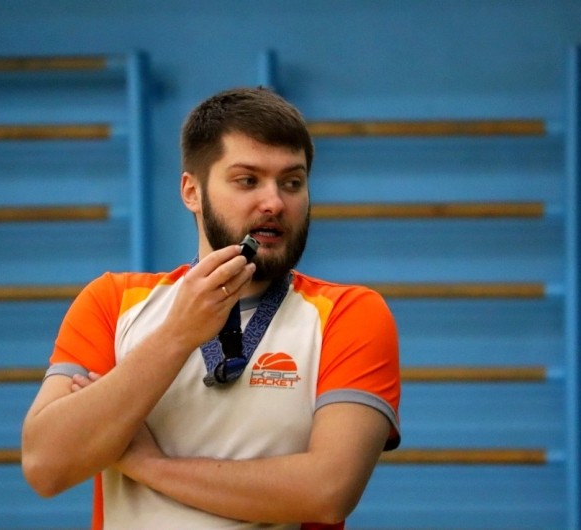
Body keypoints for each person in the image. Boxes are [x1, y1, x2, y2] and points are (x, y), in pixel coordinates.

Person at [21, 86, 401, 530]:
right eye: (247, 180)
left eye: (292, 182)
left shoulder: (349, 313)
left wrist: (147, 464)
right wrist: (176, 335)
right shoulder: (111, 301)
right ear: (192, 191)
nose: (274, 202)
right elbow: (46, 467)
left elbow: (327, 493)